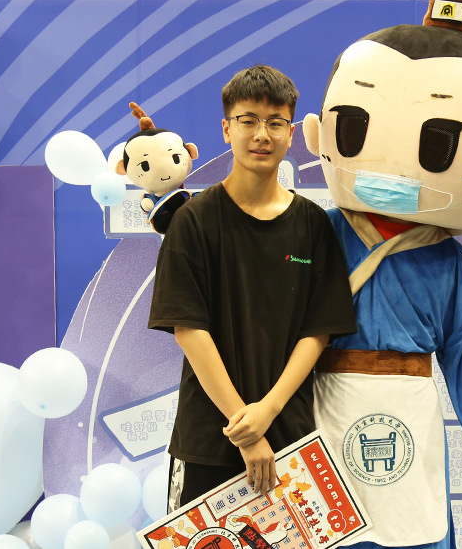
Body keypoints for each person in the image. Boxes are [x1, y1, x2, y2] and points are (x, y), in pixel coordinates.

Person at [300, 0, 462, 549]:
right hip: (321, 399)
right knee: (325, 527)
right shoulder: (315, 233)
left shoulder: (450, 261)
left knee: (409, 525)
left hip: (407, 406)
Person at [148, 65, 358, 511]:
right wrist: (244, 428)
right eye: (248, 121)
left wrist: (268, 411)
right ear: (227, 129)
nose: (262, 134)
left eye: (275, 123)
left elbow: (318, 331)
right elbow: (189, 329)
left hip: (290, 436)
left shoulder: (313, 224)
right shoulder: (193, 221)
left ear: (291, 134)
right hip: (209, 438)